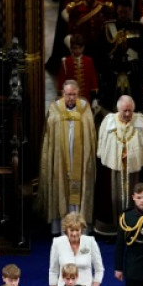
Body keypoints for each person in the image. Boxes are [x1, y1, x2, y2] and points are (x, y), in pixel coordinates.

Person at [40, 80, 97, 232]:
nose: (70, 98)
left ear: (78, 93)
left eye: (73, 94)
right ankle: (59, 227)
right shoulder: (55, 108)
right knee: (61, 185)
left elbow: (91, 135)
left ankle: (81, 225)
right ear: (62, 93)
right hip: (61, 157)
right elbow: (49, 135)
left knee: (80, 186)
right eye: (67, 94)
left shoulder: (84, 108)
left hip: (79, 157)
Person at [97, 95, 143, 228]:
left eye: (130, 110)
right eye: (124, 111)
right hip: (115, 168)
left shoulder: (141, 122)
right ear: (118, 109)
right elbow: (103, 143)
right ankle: (114, 226)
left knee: (135, 195)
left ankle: (135, 225)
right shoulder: (109, 121)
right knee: (113, 197)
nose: (128, 114)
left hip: (134, 170)